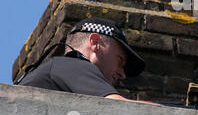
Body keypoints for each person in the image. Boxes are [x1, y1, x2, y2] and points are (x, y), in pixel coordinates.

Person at [17, 17, 157, 104]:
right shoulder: (73, 65)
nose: (122, 74)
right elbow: (122, 108)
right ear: (95, 42)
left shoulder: (58, 71)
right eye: (120, 60)